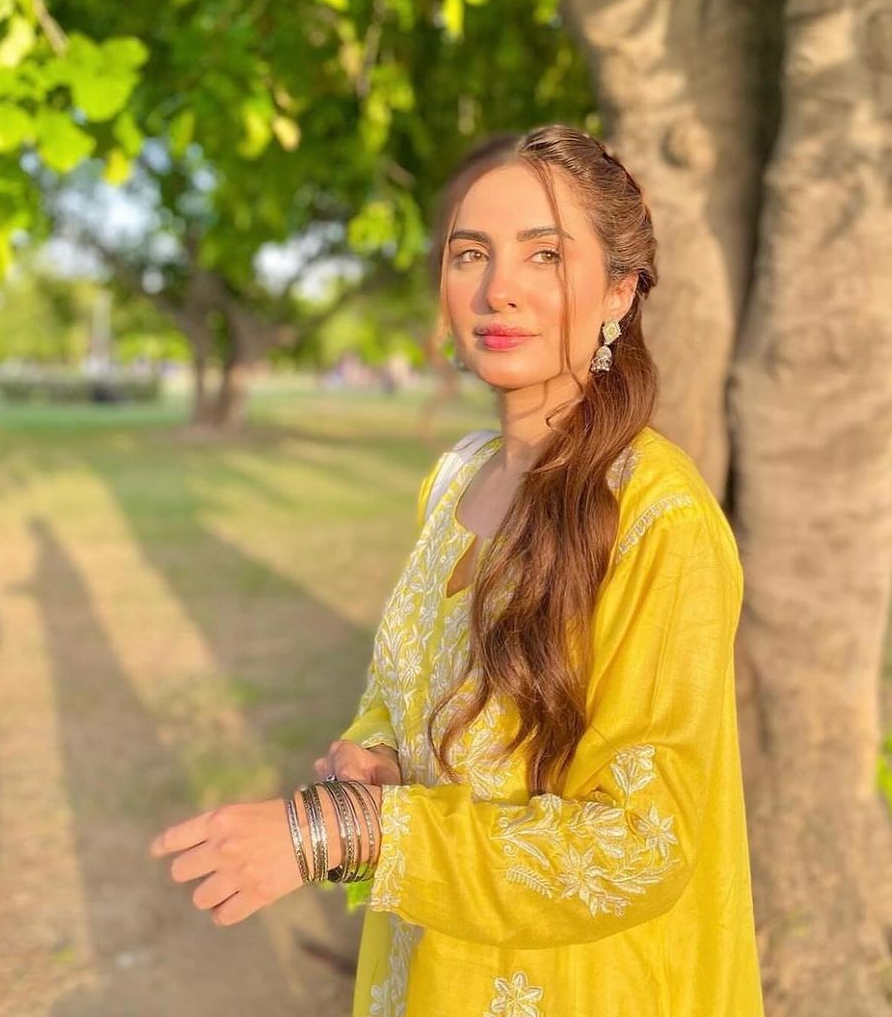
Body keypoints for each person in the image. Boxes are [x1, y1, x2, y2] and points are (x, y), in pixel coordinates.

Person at [150, 124, 766, 1016]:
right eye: (469, 253)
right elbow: (408, 685)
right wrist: (376, 757)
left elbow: (641, 846)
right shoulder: (454, 480)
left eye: (544, 256)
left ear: (620, 292)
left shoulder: (660, 522)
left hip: (578, 986)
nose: (497, 289)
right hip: (425, 968)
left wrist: (336, 833)